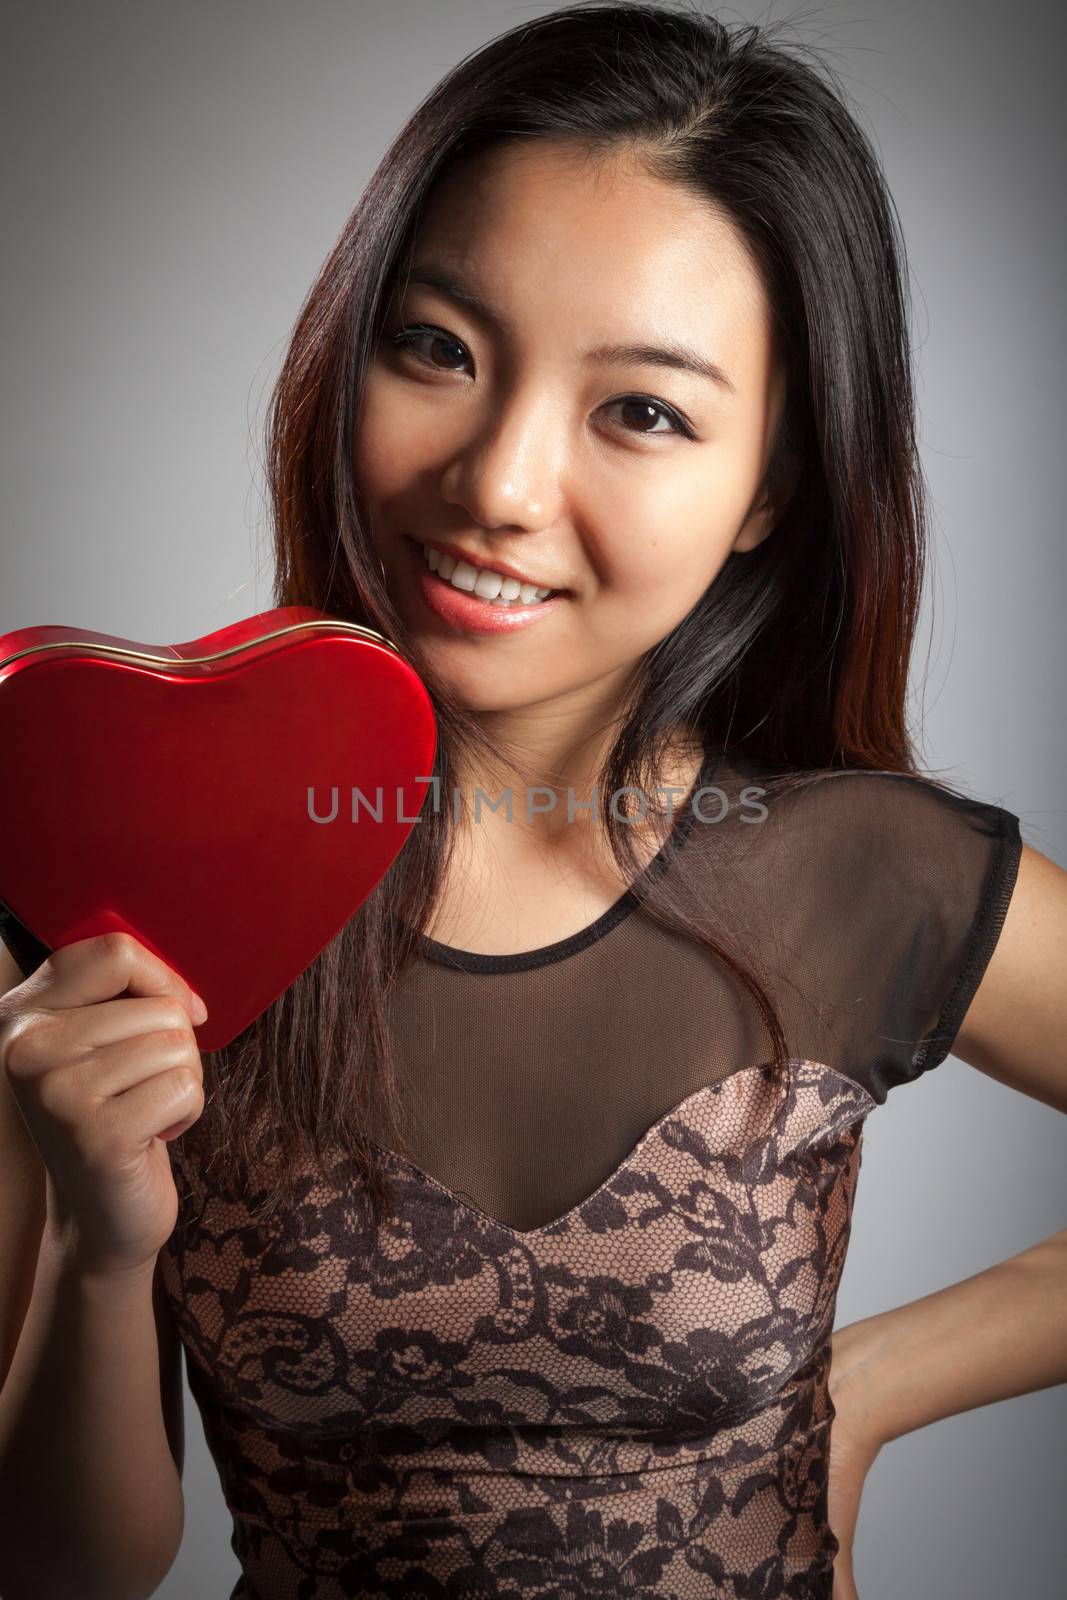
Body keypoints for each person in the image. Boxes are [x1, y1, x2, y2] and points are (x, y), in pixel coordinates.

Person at [1, 4, 1065, 1598]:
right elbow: (64, 1571)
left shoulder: (870, 876)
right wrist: (100, 1246)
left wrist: (874, 1388)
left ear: (772, 482)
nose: (497, 482)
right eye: (437, 347)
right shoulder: (131, 877)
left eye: (641, 409)